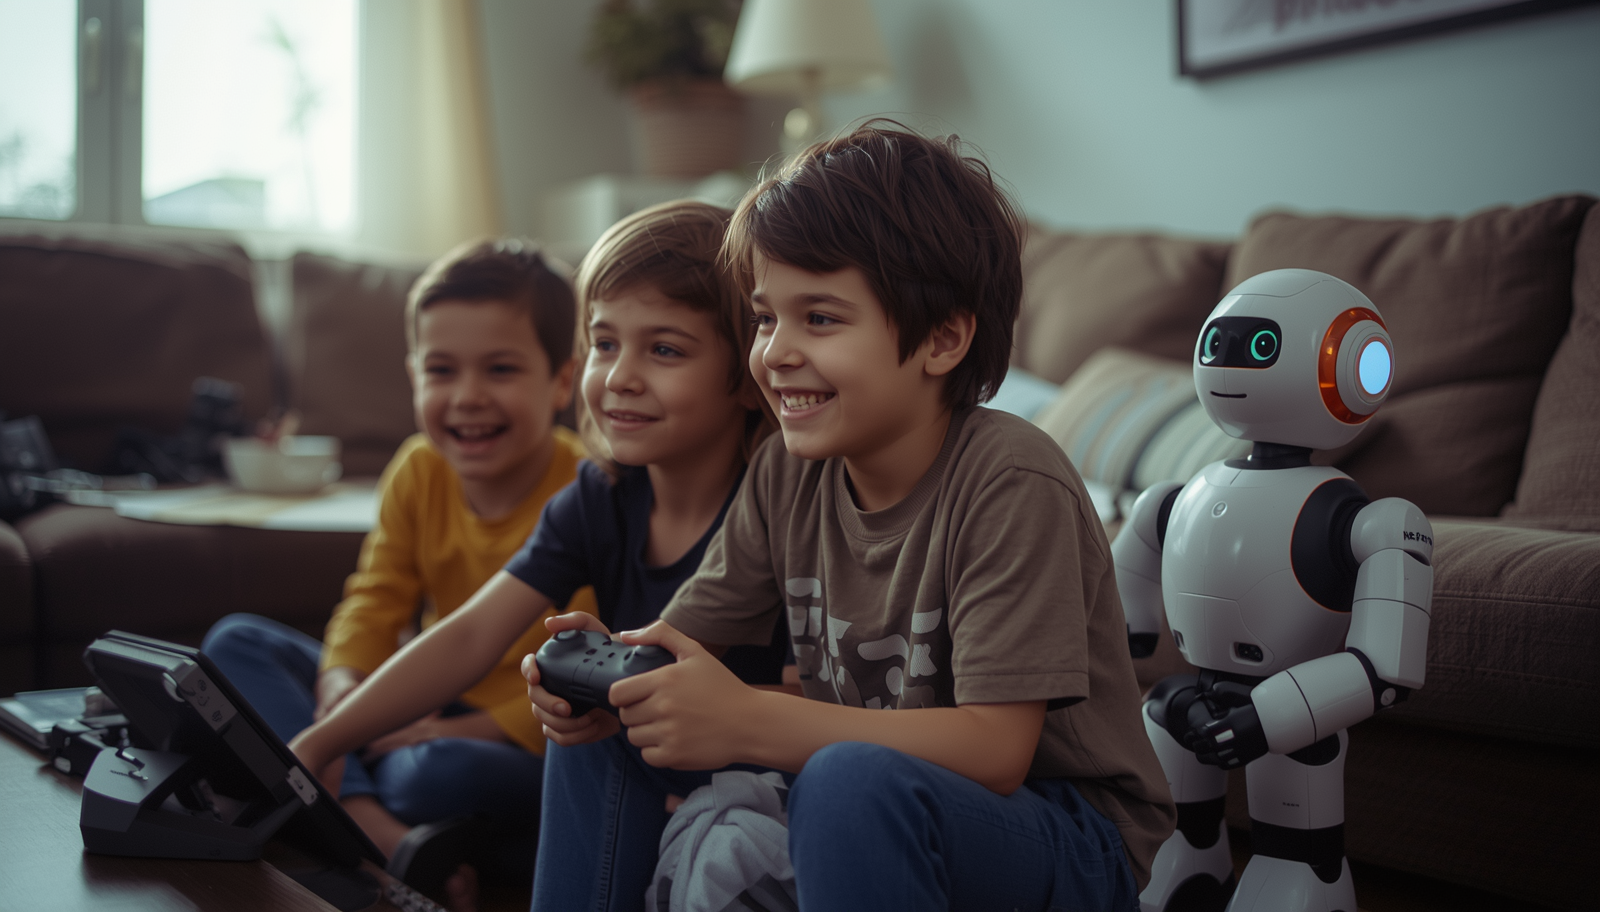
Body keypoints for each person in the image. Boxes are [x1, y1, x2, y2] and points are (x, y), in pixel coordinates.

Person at [526, 123, 1177, 912]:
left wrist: (749, 717)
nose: (774, 353)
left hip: (1066, 833)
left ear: (943, 338)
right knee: (614, 734)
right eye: (766, 318)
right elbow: (682, 639)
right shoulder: (785, 472)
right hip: (872, 787)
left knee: (847, 778)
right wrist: (609, 682)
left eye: (820, 319)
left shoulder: (1011, 480)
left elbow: (998, 750)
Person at [287, 200, 786, 902]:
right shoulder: (600, 495)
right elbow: (470, 635)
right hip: (625, 767)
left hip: (737, 781)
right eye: (605, 344)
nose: (619, 376)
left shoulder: (786, 508)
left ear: (746, 375)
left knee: (560, 741)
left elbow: (818, 697)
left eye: (665, 350)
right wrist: (323, 740)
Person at [202, 238, 594, 906]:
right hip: (416, 699)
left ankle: (338, 810)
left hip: (514, 735)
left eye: (500, 369)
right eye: (441, 371)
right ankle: (379, 834)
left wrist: (442, 731)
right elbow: (373, 600)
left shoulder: (588, 489)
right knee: (235, 643)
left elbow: (582, 677)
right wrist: (342, 685)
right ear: (413, 375)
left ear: (562, 380)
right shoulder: (417, 469)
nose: (467, 397)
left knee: (428, 774)